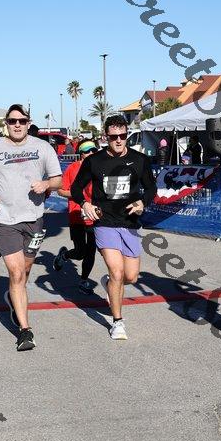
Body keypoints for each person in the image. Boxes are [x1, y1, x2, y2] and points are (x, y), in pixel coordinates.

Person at [0, 103, 62, 352]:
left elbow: (57, 179)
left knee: (24, 271)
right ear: (6, 123)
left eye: (22, 121)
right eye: (12, 121)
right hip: (4, 218)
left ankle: (13, 299)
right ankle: (25, 331)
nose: (17, 125)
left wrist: (46, 185)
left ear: (28, 123)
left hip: (34, 218)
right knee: (15, 273)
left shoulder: (42, 147)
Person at [71, 115, 157, 340]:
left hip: (130, 224)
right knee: (117, 271)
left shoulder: (139, 160)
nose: (118, 140)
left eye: (122, 136)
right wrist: (85, 204)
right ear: (105, 137)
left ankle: (109, 284)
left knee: (131, 277)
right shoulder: (94, 161)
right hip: (104, 223)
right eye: (113, 137)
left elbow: (151, 188)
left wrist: (142, 203)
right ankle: (117, 322)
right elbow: (76, 188)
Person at [53, 140, 98, 294]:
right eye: (87, 151)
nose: (91, 153)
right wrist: (77, 194)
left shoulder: (100, 167)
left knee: (91, 251)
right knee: (80, 253)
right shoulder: (72, 168)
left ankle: (83, 280)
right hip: (76, 215)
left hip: (94, 216)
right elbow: (60, 190)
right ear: (81, 153)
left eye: (94, 150)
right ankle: (65, 255)